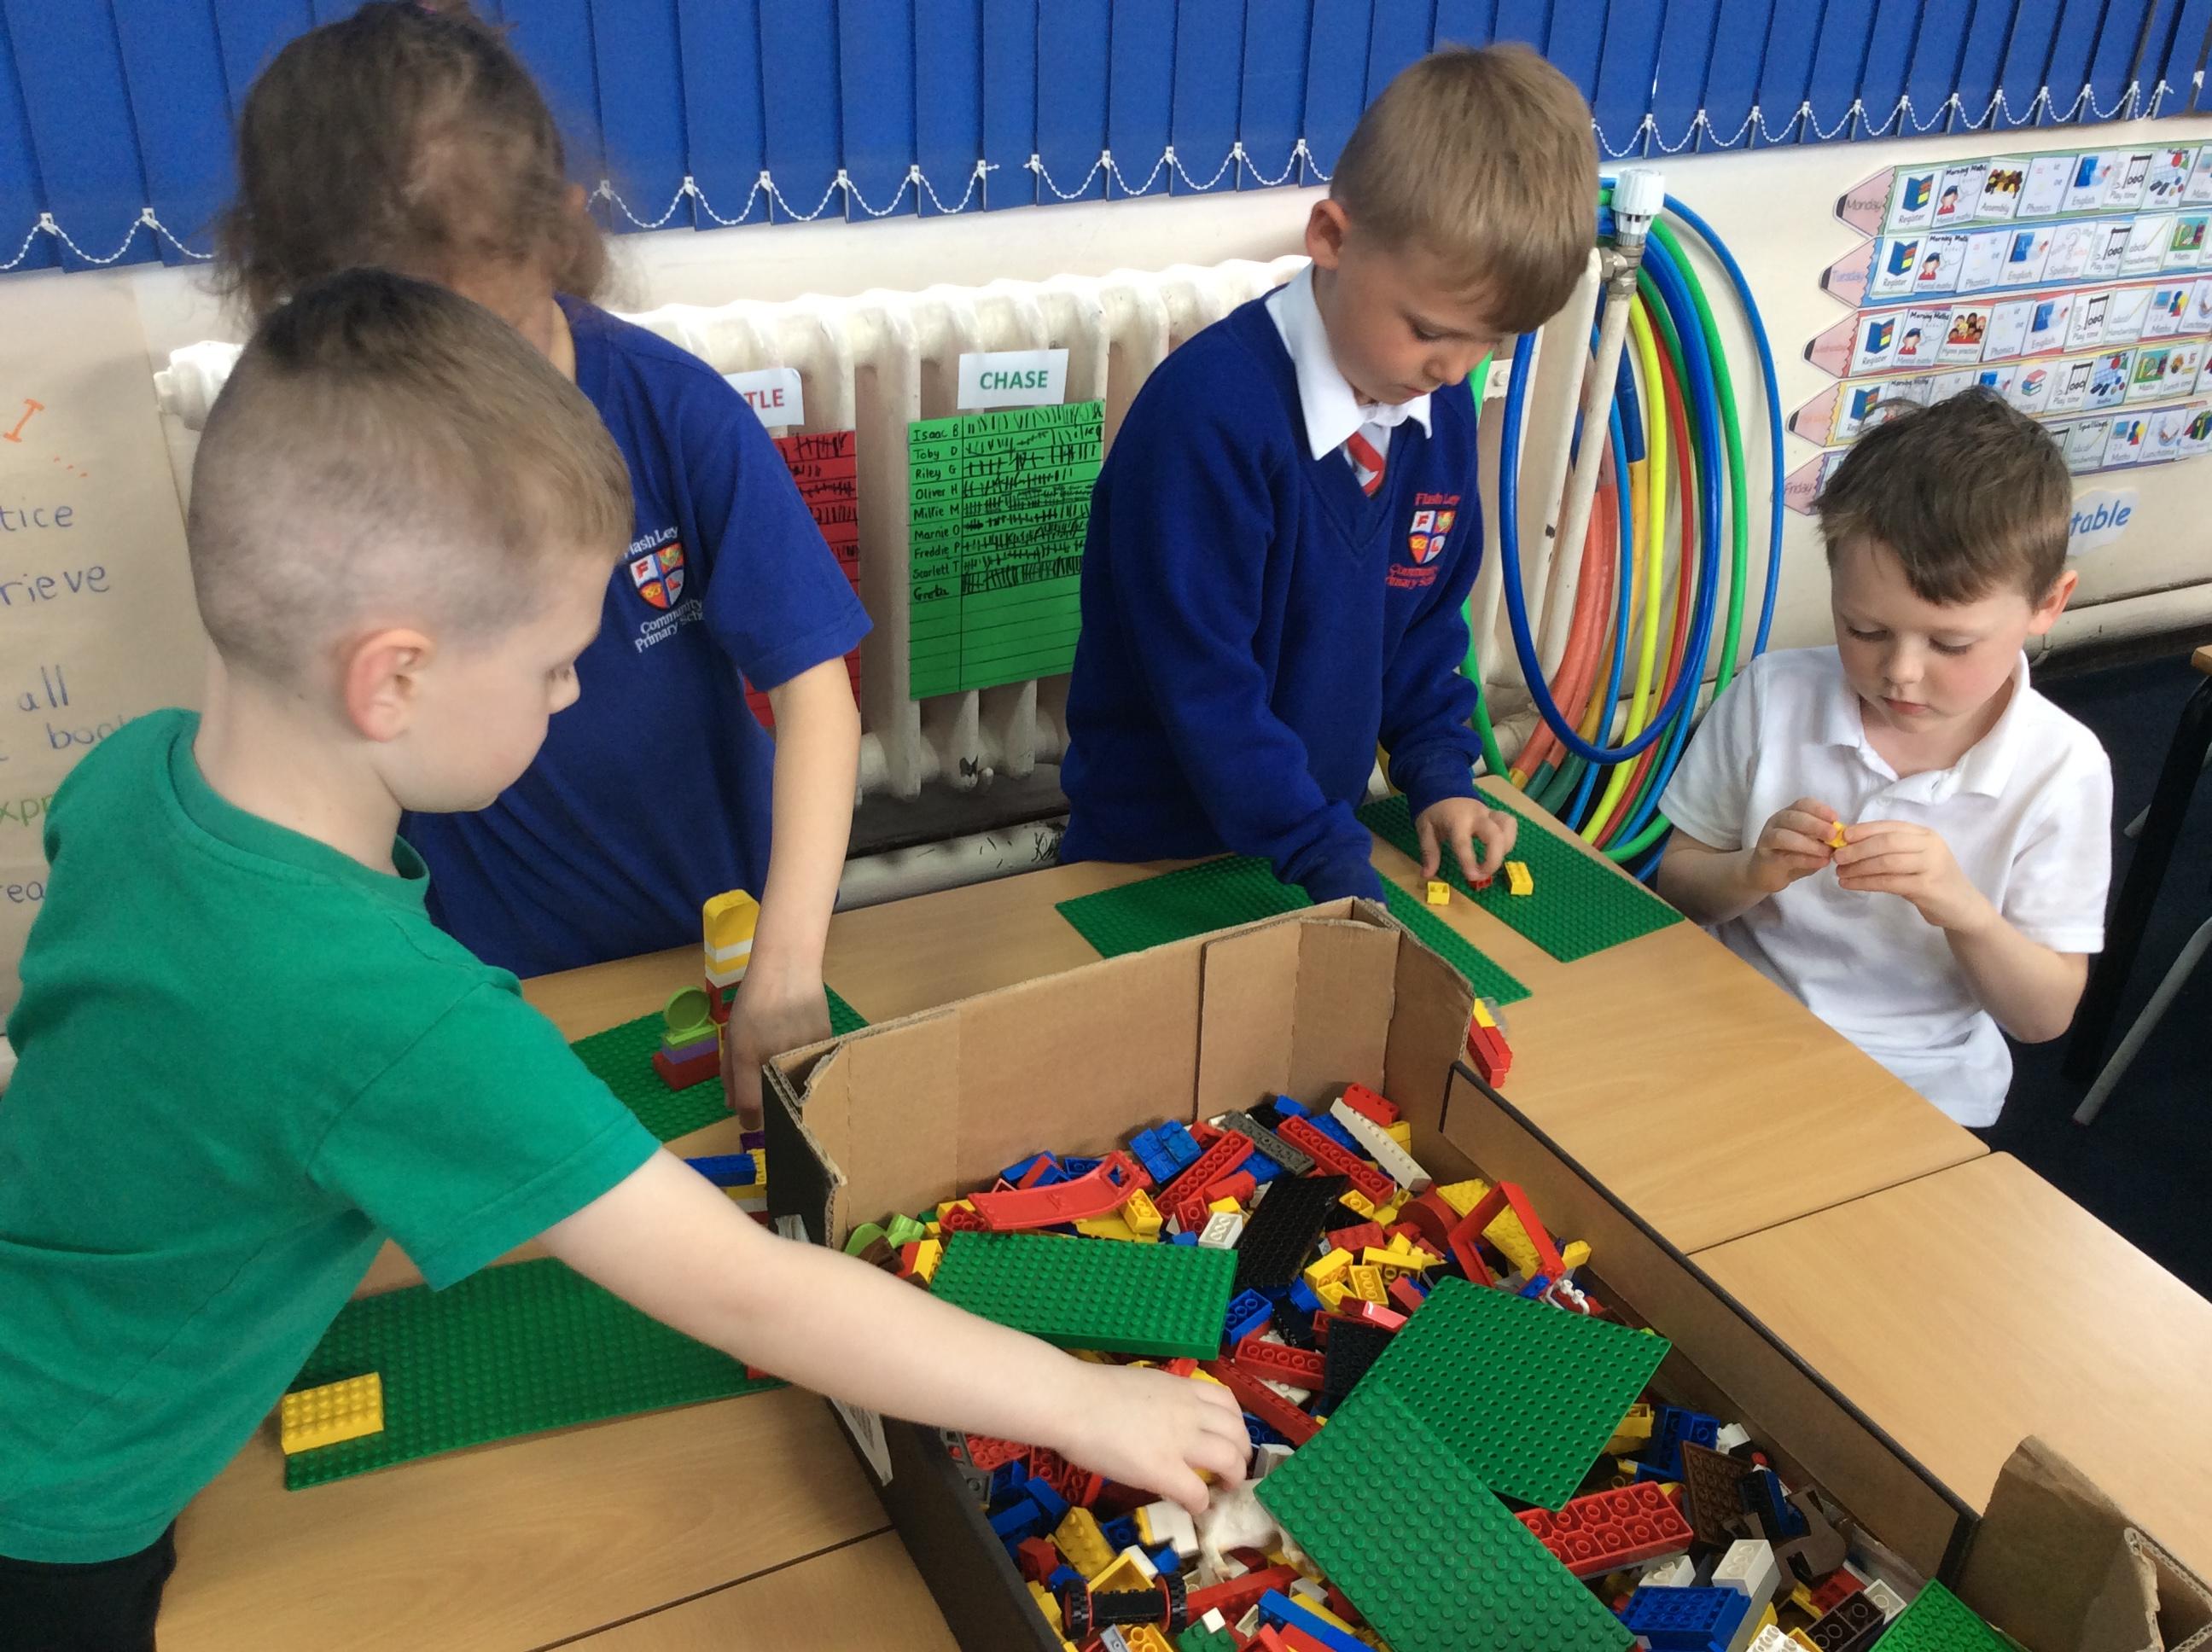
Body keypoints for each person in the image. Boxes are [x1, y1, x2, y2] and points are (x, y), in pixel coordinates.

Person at [0, 272, 1246, 1652]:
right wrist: (1091, 1402)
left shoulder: (132, 779)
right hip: (61, 1512)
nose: (573, 691)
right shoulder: (393, 1015)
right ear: (392, 679)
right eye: (553, 665)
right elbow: (749, 1291)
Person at [215, 0, 864, 1119]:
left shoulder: (672, 412)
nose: (472, 397)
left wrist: (789, 964)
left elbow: (816, 693)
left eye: (493, 341)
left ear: (560, 236)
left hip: (713, 938)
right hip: (483, 982)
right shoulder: (308, 455)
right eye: (412, 367)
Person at [1060, 46, 1598, 901]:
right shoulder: (1207, 419)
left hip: (1310, 842)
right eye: (1429, 330)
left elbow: (1421, 626)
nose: (1455, 369)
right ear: (1332, 238)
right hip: (1155, 857)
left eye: (1491, 341)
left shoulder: (1437, 412)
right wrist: (1325, 853)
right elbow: (1205, 687)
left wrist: (1441, 774)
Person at [1656, 389, 2111, 1128]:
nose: (1900, 673)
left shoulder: (2063, 768)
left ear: (2049, 604)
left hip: (1919, 1081)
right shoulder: (1773, 694)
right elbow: (1676, 887)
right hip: (1724, 1022)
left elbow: (2042, 1017)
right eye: (1864, 631)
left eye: (1951, 644)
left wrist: (1964, 910)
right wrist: (1752, 872)